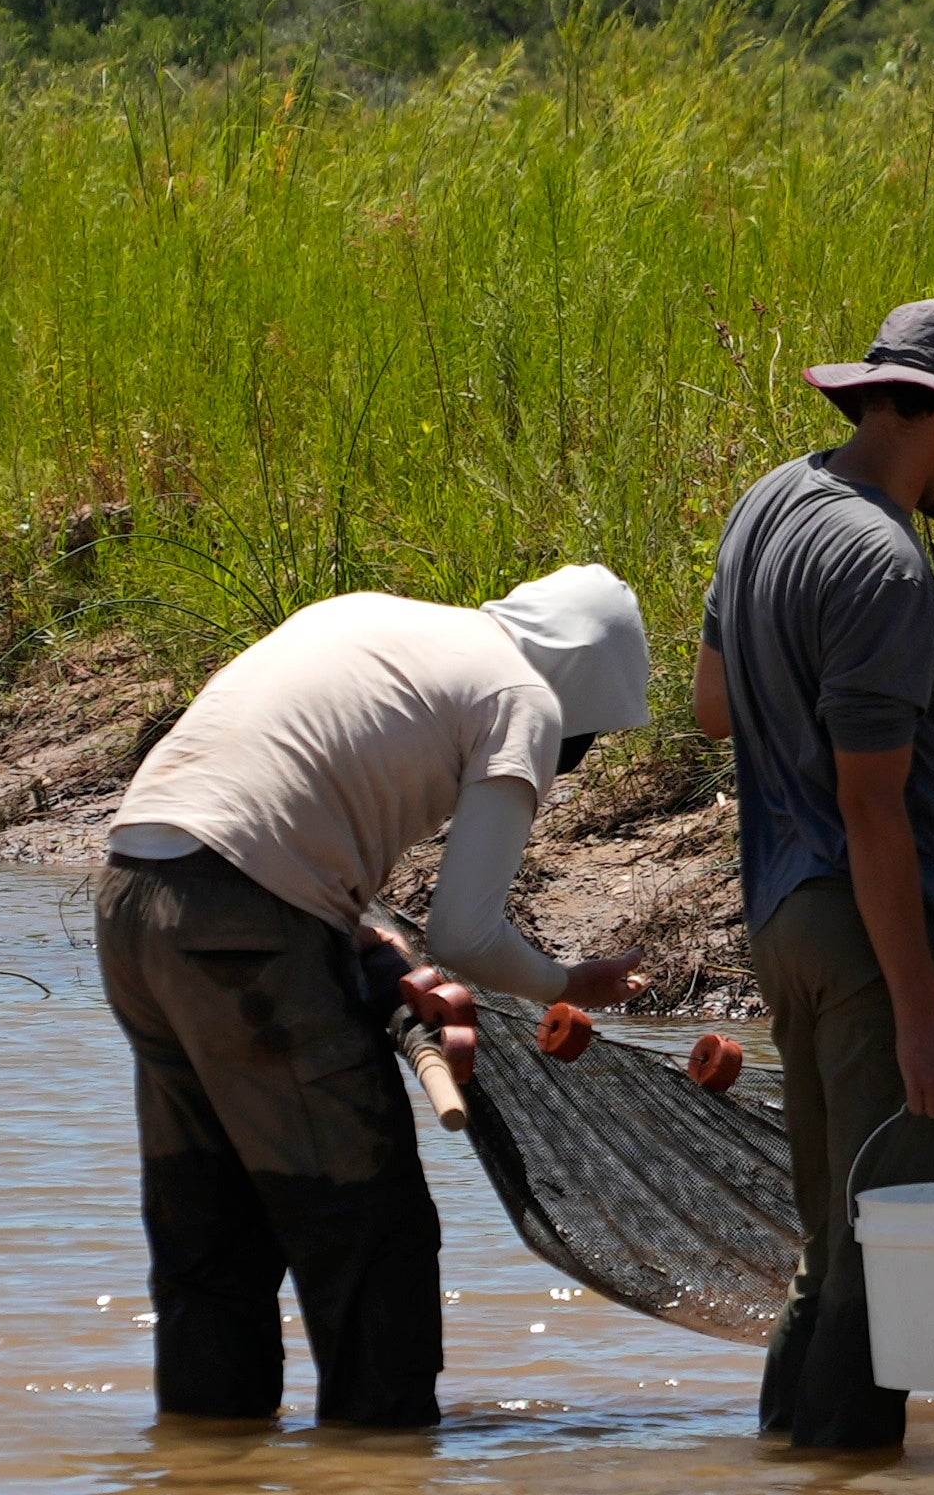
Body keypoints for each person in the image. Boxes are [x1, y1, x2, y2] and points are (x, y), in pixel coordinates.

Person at [96, 564, 656, 1431]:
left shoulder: (375, 617)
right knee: (369, 1226)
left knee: (211, 1230)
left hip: (132, 897)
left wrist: (355, 932)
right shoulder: (524, 697)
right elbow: (466, 935)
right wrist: (565, 982)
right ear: (584, 686)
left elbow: (270, 790)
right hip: (242, 929)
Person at [695, 298, 934, 1453]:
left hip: (784, 919)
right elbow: (871, 807)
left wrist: (926, 670)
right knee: (889, 1256)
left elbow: (718, 707)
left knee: (830, 1243)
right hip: (876, 943)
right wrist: (922, 1021)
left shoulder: (775, 500)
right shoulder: (885, 560)